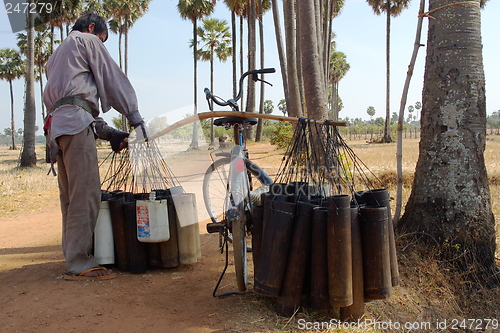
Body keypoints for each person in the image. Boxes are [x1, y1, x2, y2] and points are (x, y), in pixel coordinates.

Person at [43, 12, 148, 281]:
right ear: (92, 28)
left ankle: (73, 257)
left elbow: (74, 104)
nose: (102, 44)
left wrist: (110, 133)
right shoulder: (87, 41)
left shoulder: (56, 56)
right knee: (86, 195)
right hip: (75, 127)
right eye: (103, 38)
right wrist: (136, 120)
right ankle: (78, 262)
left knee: (70, 198)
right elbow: (114, 80)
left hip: (59, 131)